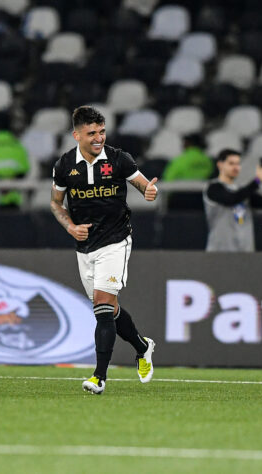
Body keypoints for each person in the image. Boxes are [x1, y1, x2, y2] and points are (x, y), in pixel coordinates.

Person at [50, 106, 157, 395]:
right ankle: (142, 347)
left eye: (101, 132)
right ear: (77, 135)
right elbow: (56, 204)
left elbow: (143, 184)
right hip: (84, 246)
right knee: (108, 309)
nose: (98, 138)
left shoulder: (120, 159)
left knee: (102, 307)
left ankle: (99, 377)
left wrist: (149, 191)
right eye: (91, 133)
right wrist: (71, 227)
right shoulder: (64, 166)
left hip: (116, 240)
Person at [203, 149, 262, 252]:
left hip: (244, 251)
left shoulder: (242, 190)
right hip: (220, 251)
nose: (235, 167)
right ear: (220, 165)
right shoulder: (213, 188)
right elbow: (231, 199)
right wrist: (257, 180)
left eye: (238, 164)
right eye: (231, 163)